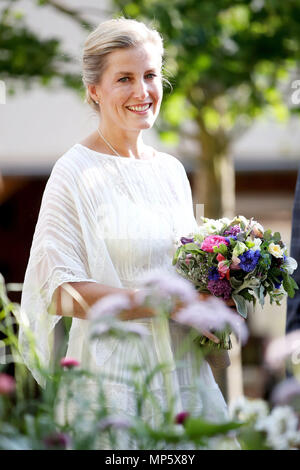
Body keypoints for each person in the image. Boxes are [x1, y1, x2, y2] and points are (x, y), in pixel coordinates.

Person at [18, 17, 236, 449]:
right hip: (115, 383)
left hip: (186, 377)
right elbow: (60, 293)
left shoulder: (172, 172)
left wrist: (221, 288)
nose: (143, 92)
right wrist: (161, 302)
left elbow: (191, 271)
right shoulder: (72, 173)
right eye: (125, 78)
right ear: (94, 90)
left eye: (151, 75)